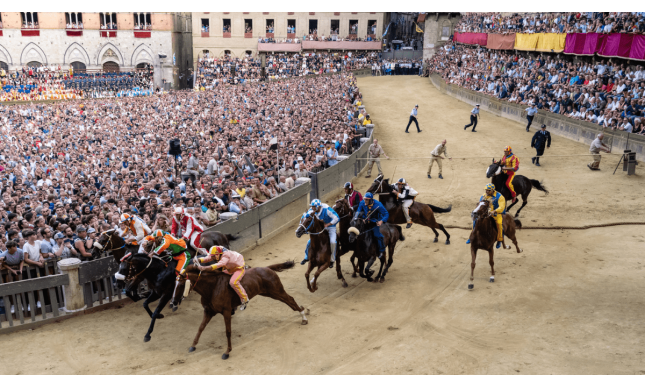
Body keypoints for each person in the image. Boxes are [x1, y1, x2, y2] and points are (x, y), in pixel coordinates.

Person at [195, 246, 249, 311]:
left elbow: (220, 264)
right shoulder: (218, 252)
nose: (212, 257)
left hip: (238, 268)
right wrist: (199, 260)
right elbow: (209, 257)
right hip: (229, 268)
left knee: (233, 282)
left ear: (218, 255)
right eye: (212, 255)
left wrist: (205, 268)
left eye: (213, 256)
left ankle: (244, 299)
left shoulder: (226, 255)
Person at [301, 199, 340, 268]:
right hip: (321, 229)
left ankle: (332, 259)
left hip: (331, 227)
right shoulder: (312, 210)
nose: (312, 208)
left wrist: (328, 224)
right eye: (312, 207)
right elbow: (306, 216)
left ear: (318, 207)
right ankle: (306, 257)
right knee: (309, 242)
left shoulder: (327, 209)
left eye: (313, 207)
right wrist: (304, 216)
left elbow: (337, 218)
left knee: (333, 242)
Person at [467, 183, 505, 249]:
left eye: (488, 190)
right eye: (486, 190)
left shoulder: (500, 197)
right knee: (475, 221)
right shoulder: (484, 196)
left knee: (499, 224)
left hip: (496, 214)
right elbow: (480, 205)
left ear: (493, 190)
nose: (487, 191)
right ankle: (472, 236)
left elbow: (502, 207)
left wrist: (494, 211)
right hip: (485, 214)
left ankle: (499, 239)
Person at [354, 192, 389, 260]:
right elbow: (358, 211)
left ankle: (381, 251)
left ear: (370, 200)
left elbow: (386, 214)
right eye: (364, 199)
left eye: (367, 200)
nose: (365, 201)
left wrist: (381, 221)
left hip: (374, 222)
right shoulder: (362, 203)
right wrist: (358, 218)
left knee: (377, 235)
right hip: (364, 221)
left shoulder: (378, 205)